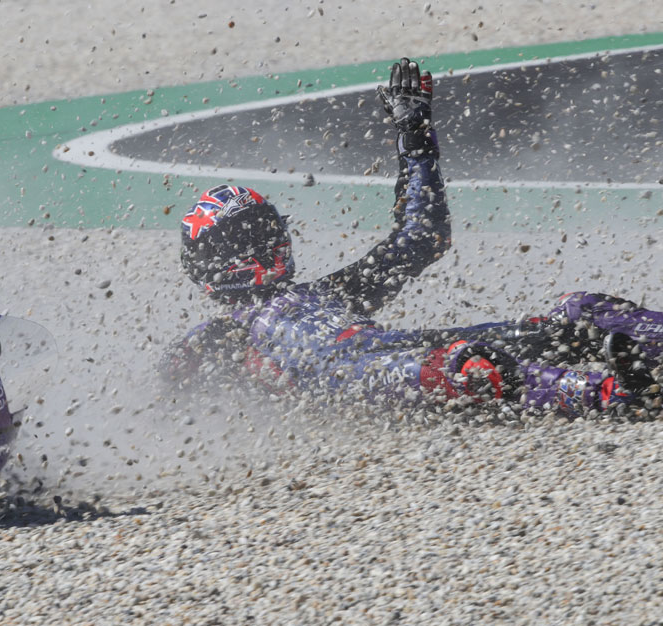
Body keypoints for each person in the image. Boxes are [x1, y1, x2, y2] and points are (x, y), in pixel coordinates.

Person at [161, 58, 662, 420]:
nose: (276, 240)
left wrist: (415, 136)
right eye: (257, 234)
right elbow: (166, 399)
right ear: (222, 261)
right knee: (474, 367)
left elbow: (420, 239)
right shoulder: (224, 339)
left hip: (420, 354)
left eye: (272, 228)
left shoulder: (322, 295)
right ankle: (615, 395)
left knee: (577, 310)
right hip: (385, 382)